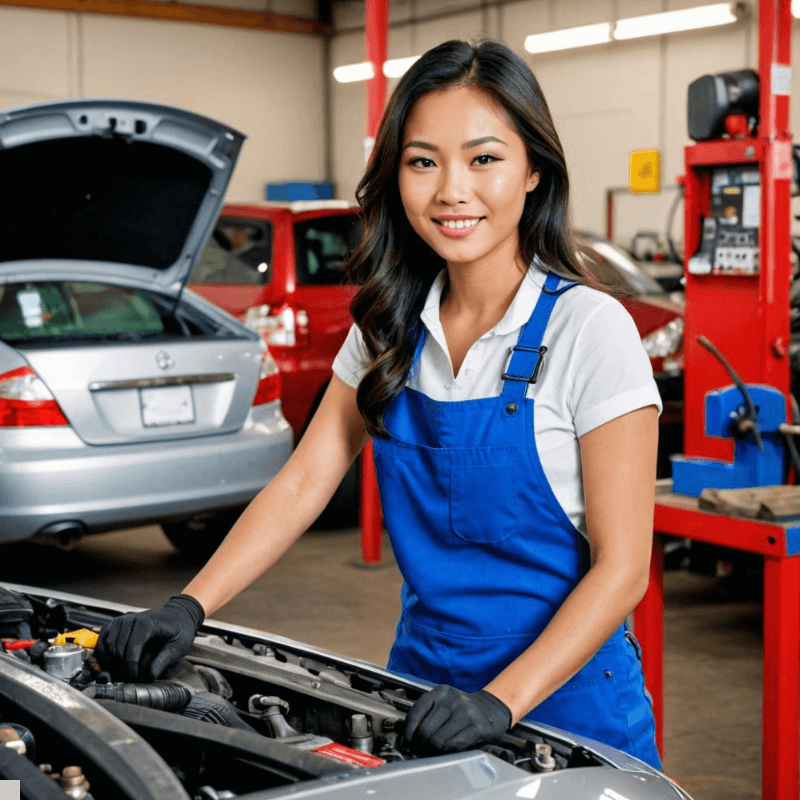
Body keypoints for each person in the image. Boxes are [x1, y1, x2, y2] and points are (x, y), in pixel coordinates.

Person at [95, 39, 662, 769]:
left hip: (570, 709)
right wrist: (189, 604)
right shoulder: (389, 328)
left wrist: (502, 701)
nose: (452, 190)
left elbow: (623, 570)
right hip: (419, 692)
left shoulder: (591, 330)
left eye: (484, 158)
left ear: (534, 172)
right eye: (423, 161)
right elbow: (306, 479)